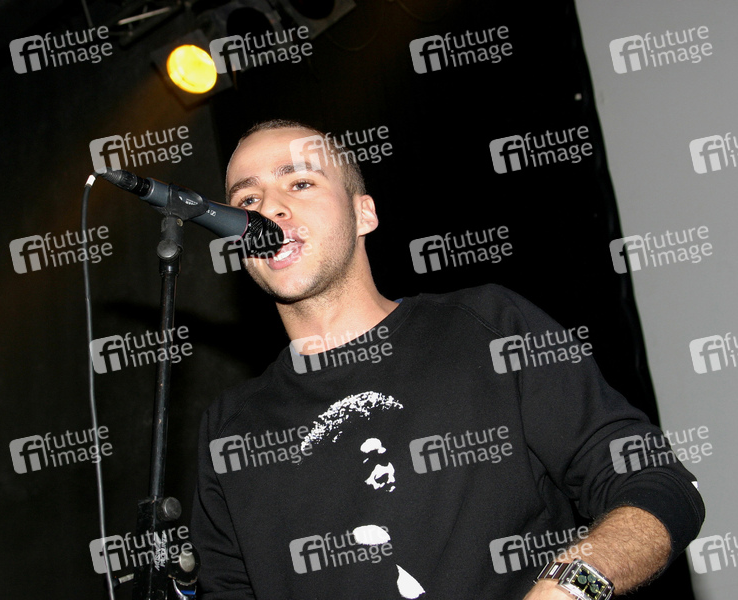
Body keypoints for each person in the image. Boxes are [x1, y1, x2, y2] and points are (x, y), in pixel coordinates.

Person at [190, 119, 704, 600]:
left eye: (300, 183)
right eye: (248, 199)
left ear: (364, 213)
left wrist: (570, 585)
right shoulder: (231, 429)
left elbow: (657, 484)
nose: (269, 210)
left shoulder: (488, 328)